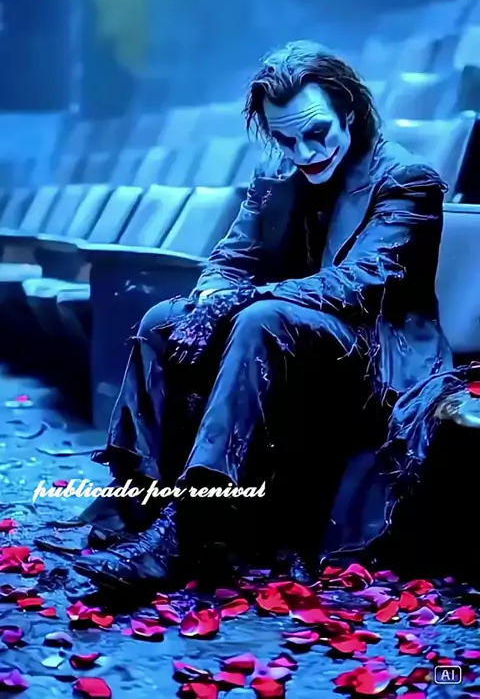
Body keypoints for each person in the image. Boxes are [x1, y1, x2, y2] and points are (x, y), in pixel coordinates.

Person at [74, 40, 453, 590]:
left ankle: (190, 525)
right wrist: (211, 299)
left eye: (317, 132)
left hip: (374, 350)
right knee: (162, 320)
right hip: (281, 328)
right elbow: (232, 259)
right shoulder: (276, 174)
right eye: (286, 139)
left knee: (260, 318)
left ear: (348, 110)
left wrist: (239, 301)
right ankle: (138, 503)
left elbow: (358, 284)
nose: (304, 152)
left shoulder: (407, 180)